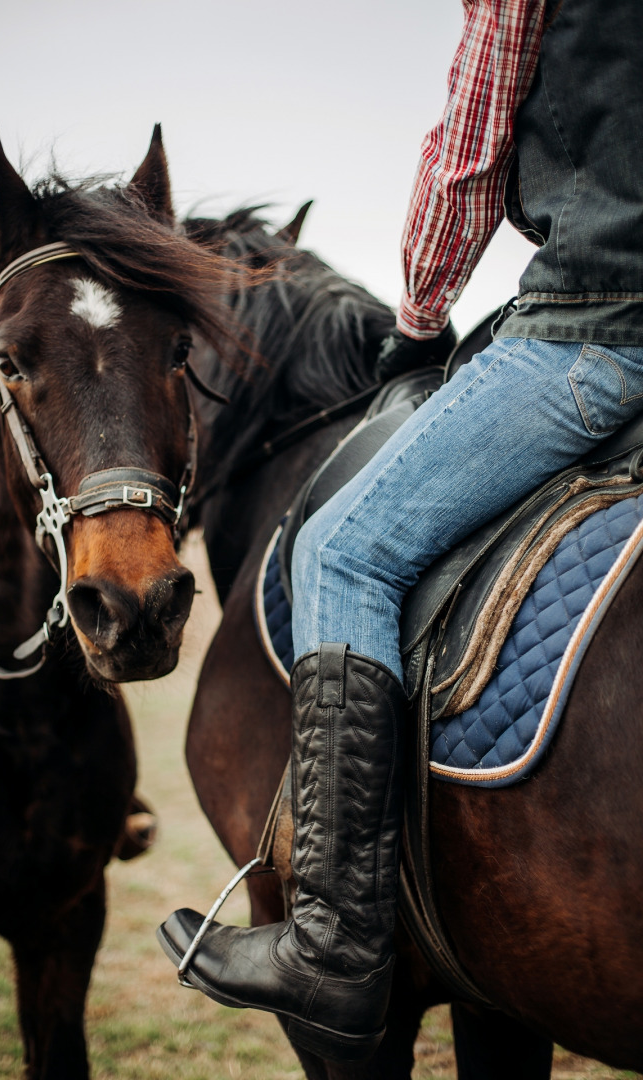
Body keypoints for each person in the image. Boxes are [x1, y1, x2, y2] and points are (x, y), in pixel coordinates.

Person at [159, 0, 643, 1062]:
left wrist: (421, 319)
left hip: (600, 329)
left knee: (346, 549)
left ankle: (331, 936)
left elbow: (469, 153)